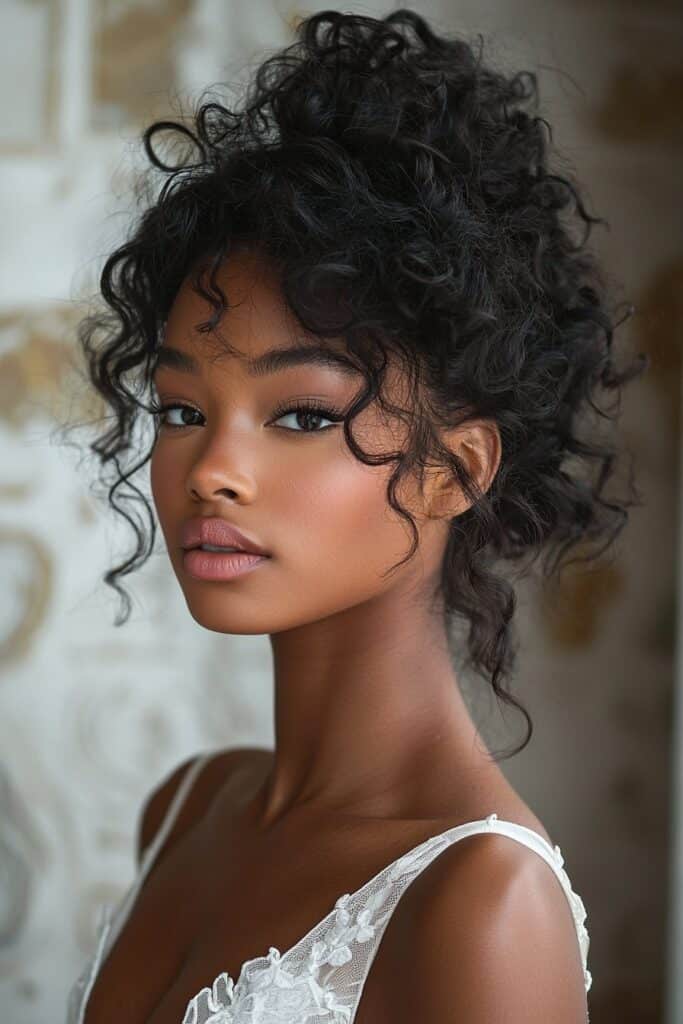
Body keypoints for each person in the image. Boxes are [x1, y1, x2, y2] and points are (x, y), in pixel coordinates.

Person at [66, 8, 646, 1023]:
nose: (212, 471)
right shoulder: (190, 806)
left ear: (454, 470)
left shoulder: (478, 903)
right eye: (182, 408)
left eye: (300, 412)